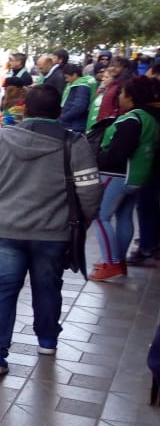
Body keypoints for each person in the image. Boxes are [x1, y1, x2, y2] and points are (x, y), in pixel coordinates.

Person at [0, 85, 102, 374]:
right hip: (53, 232)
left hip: (4, 230)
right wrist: (82, 221)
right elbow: (90, 191)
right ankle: (47, 340)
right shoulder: (74, 144)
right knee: (48, 285)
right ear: (60, 112)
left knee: (2, 287)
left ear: (25, 109)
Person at [91, 76, 159, 281]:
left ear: (130, 96)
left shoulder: (132, 119)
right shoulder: (151, 118)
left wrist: (97, 159)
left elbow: (117, 153)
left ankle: (111, 263)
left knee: (100, 216)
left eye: (121, 93)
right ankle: (118, 260)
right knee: (124, 216)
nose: (119, 96)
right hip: (138, 176)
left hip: (118, 174)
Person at [59, 62, 96, 133]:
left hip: (74, 125)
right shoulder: (75, 85)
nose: (66, 80)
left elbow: (79, 107)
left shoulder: (82, 87)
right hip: (71, 123)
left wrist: (64, 117)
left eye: (67, 77)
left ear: (74, 75)